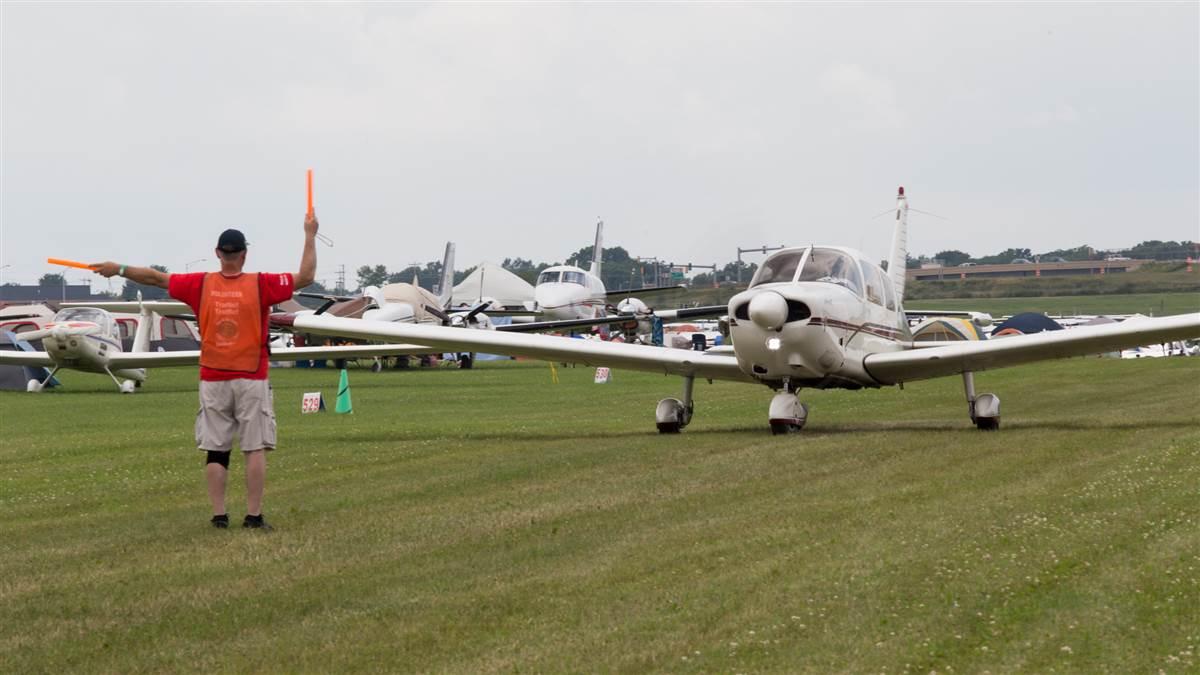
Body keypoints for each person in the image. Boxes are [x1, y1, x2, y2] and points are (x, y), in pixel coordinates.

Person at [93, 212, 318, 530]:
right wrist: (309, 233)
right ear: (244, 254)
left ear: (217, 253)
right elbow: (306, 276)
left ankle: (219, 515)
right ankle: (253, 516)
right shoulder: (261, 284)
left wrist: (119, 269)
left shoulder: (199, 284)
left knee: (216, 449)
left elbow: (156, 278)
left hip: (213, 376)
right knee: (254, 447)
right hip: (252, 376)